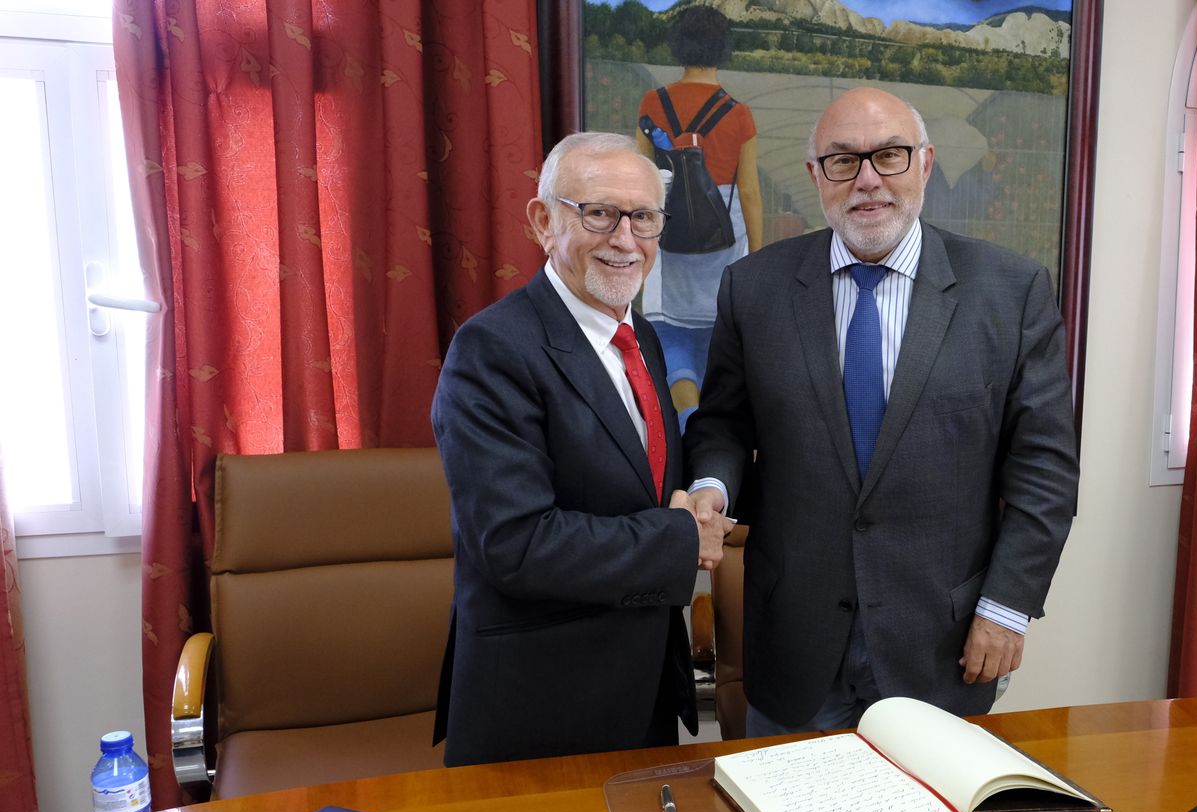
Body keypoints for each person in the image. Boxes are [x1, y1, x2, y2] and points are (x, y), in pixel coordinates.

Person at [684, 87, 1078, 736]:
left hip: (944, 644)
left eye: (889, 155)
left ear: (925, 163)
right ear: (816, 175)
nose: (868, 179)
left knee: (935, 808)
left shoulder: (1010, 291)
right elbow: (723, 422)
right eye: (843, 160)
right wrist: (711, 486)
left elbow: (1046, 470)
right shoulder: (754, 288)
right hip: (793, 644)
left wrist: (1007, 606)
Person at [431, 131, 732, 766]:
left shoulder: (641, 336)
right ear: (543, 222)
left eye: (644, 218)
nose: (625, 239)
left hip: (643, 688)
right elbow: (516, 544)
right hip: (540, 706)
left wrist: (702, 496)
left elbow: (645, 481)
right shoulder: (493, 350)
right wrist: (681, 537)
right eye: (599, 213)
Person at [636, 5, 763, 427]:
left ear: (678, 45)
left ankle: (687, 422)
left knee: (671, 334)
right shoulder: (739, 114)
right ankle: (712, 433)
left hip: (667, 234)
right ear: (724, 48)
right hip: (723, 239)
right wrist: (757, 256)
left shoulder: (653, 103)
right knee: (716, 335)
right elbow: (749, 192)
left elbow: (642, 180)